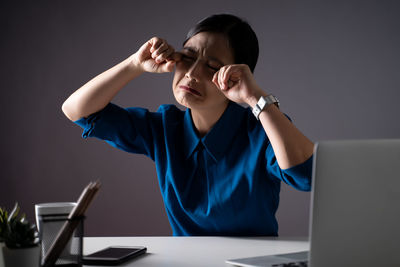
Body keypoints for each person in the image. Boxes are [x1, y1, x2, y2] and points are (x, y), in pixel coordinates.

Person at [62, 14, 314, 236]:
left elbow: (306, 176)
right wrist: (134, 64)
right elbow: (77, 110)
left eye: (213, 67)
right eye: (188, 57)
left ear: (237, 74)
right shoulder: (163, 127)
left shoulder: (262, 128)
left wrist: (255, 97)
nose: (192, 73)